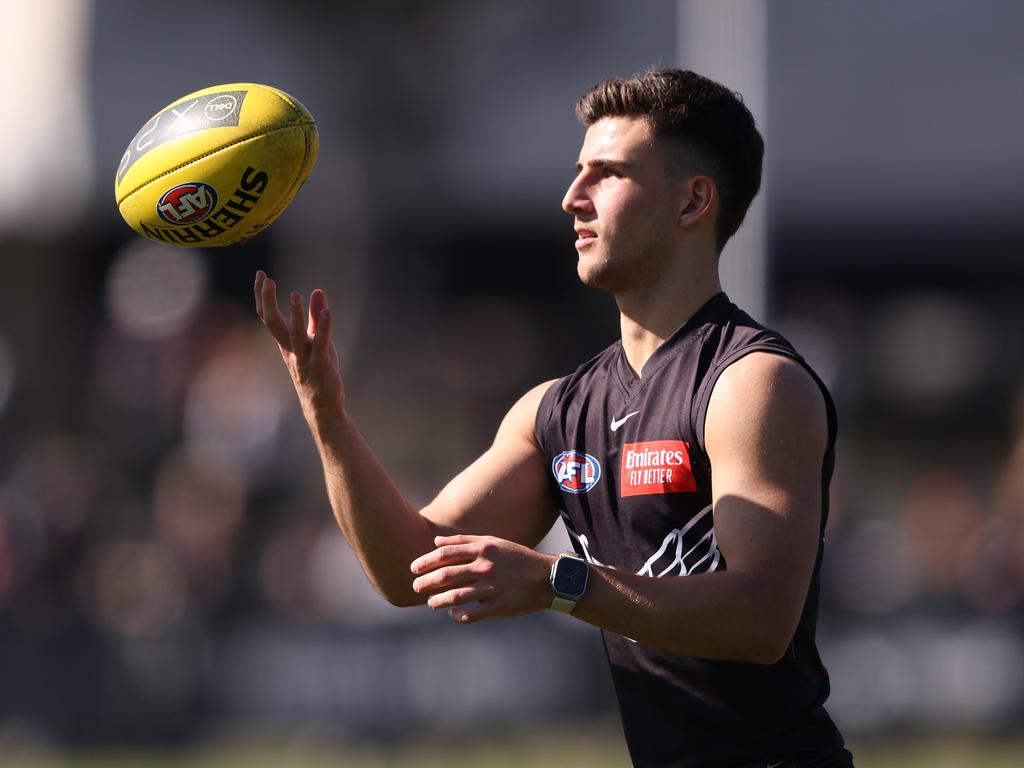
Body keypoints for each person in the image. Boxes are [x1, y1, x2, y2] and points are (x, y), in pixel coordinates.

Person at [254, 67, 854, 768]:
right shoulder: (557, 409)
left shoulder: (751, 382)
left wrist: (558, 582)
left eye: (608, 174)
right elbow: (410, 569)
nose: (573, 198)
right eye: (578, 173)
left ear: (693, 201)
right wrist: (329, 419)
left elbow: (760, 621)